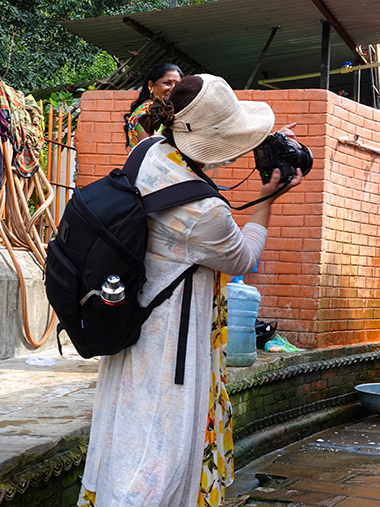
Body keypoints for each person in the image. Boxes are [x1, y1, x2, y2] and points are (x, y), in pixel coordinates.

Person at [79, 74, 303, 507]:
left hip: (130, 320)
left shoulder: (146, 152)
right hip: (171, 347)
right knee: (162, 453)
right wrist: (268, 199)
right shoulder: (204, 212)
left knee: (124, 435)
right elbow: (243, 258)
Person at [124, 63, 183, 148]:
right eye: (167, 83)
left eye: (177, 85)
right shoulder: (147, 112)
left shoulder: (163, 110)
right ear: (151, 85)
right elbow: (151, 149)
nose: (173, 88)